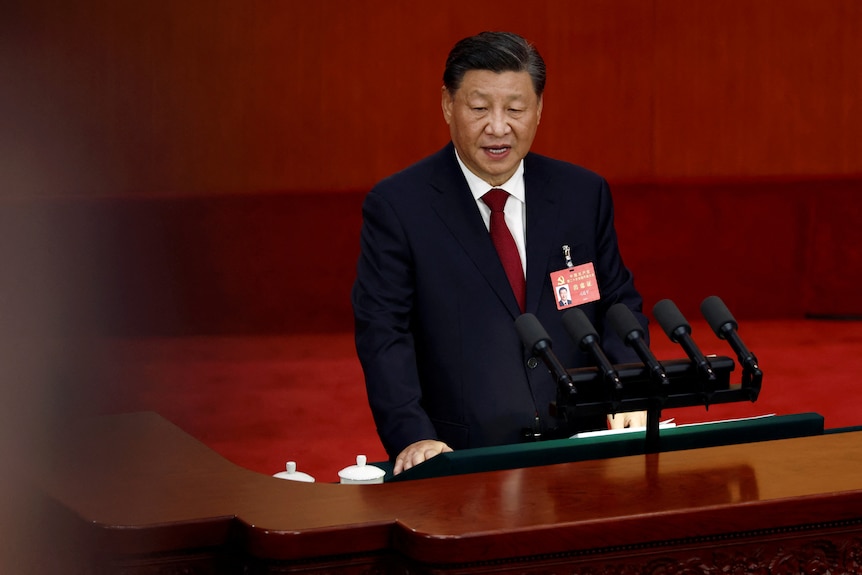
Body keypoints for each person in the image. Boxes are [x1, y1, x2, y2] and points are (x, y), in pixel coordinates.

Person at [352, 31, 647, 475]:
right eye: (478, 108)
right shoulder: (399, 207)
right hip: (462, 457)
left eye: (514, 109)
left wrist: (630, 389)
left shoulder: (581, 194)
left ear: (539, 109)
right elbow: (384, 334)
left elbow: (617, 304)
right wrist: (412, 434)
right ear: (448, 105)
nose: (497, 127)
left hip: (583, 449)